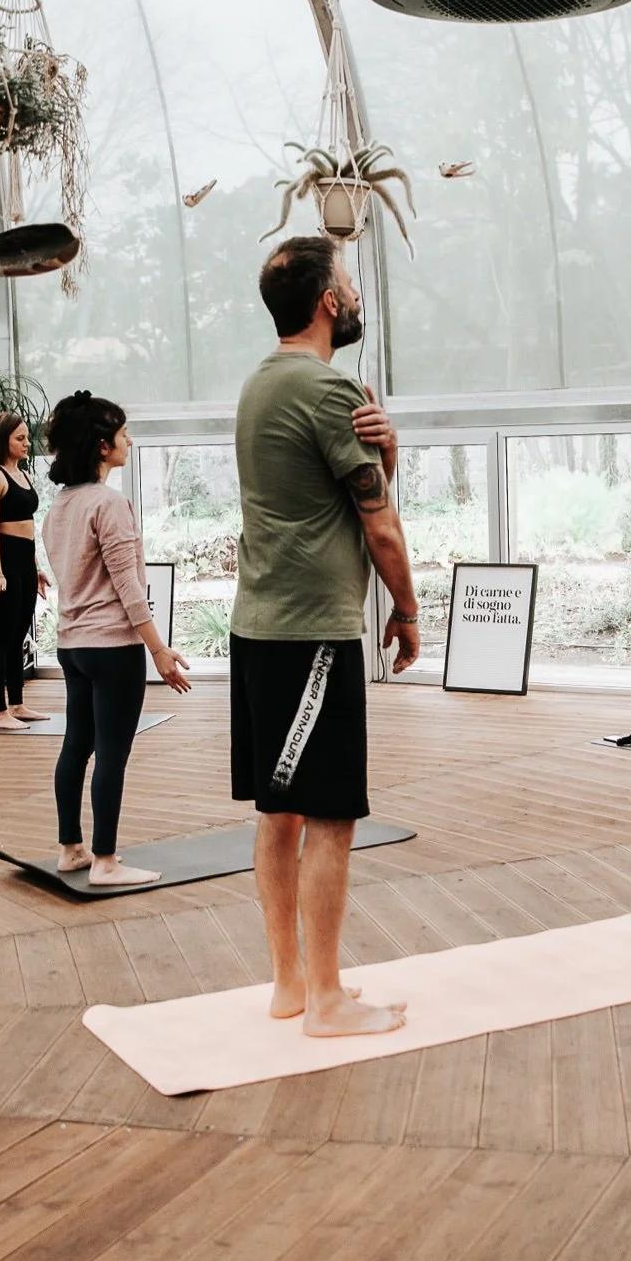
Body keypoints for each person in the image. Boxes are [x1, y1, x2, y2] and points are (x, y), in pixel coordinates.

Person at [232, 235, 419, 1038]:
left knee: (280, 812)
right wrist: (408, 613)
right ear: (325, 303)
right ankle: (330, 1002)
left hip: (260, 628)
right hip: (313, 635)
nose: (351, 294)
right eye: (344, 282)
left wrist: (389, 451)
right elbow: (378, 525)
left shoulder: (260, 386)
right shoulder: (328, 390)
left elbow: (339, 494)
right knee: (332, 815)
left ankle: (292, 982)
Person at [40, 391, 193, 886]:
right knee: (111, 753)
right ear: (103, 446)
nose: (130, 440)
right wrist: (159, 649)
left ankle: (71, 850)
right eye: (123, 433)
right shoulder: (109, 503)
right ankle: (105, 862)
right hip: (113, 648)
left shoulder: (58, 507)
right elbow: (128, 586)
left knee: (75, 745)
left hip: (72, 645)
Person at [0, 410, 50, 730]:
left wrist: (36, 568)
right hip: (1, 565)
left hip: (24, 563)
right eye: (19, 438)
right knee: (0, 638)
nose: (26, 443)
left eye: (26, 437)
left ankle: (17, 705)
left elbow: (28, 528)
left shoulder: (22, 473)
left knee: (18, 636)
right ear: (3, 441)